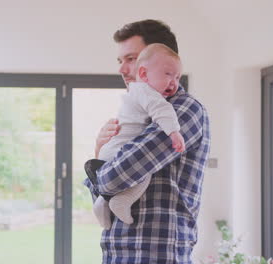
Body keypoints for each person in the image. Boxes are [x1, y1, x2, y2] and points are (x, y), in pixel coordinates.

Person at [83, 19, 211, 263]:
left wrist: (100, 165)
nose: (122, 69)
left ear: (159, 57)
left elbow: (112, 180)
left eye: (130, 59)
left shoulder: (183, 111)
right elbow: (103, 200)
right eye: (120, 61)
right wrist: (100, 150)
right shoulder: (137, 114)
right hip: (119, 253)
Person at [92, 43, 186, 230]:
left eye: (177, 77)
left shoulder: (136, 92)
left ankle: (102, 203)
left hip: (110, 150)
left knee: (113, 183)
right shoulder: (146, 91)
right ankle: (122, 200)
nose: (174, 82)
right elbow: (162, 110)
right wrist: (174, 133)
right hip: (118, 148)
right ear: (143, 74)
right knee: (143, 173)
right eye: (168, 74)